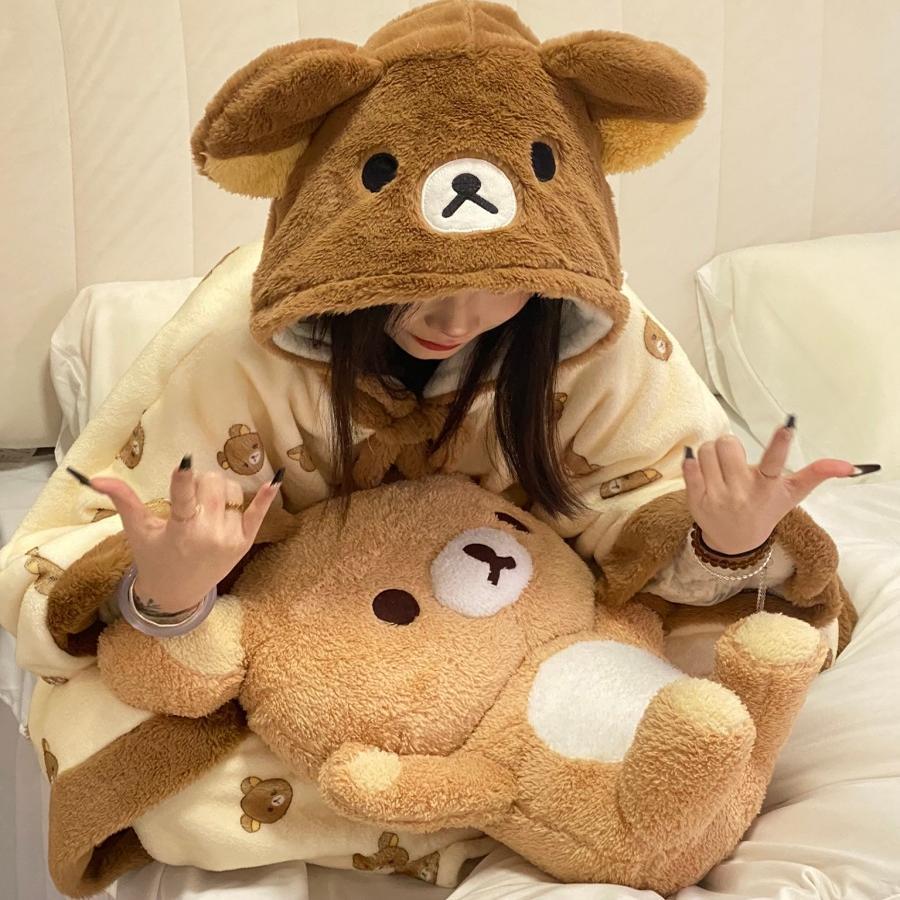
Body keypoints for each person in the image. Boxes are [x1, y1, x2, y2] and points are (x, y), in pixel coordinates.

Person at [0, 2, 875, 891]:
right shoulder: (236, 350)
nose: (456, 321)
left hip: (524, 622)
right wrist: (168, 591)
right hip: (312, 630)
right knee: (156, 776)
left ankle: (527, 798)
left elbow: (640, 497)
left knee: (719, 673)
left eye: (501, 285)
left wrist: (725, 543)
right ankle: (537, 810)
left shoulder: (595, 333)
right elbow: (88, 546)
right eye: (416, 285)